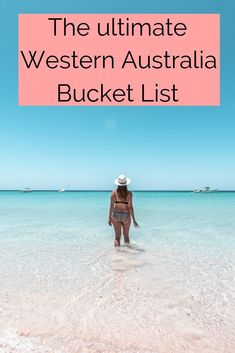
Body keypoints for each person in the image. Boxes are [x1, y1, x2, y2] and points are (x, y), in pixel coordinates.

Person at [108, 174, 139, 247]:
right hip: (126, 215)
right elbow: (130, 207)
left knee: (117, 237)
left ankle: (117, 254)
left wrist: (109, 217)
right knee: (126, 236)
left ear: (118, 184)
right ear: (126, 184)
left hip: (116, 215)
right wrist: (134, 220)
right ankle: (127, 254)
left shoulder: (113, 193)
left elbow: (111, 206)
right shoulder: (129, 194)